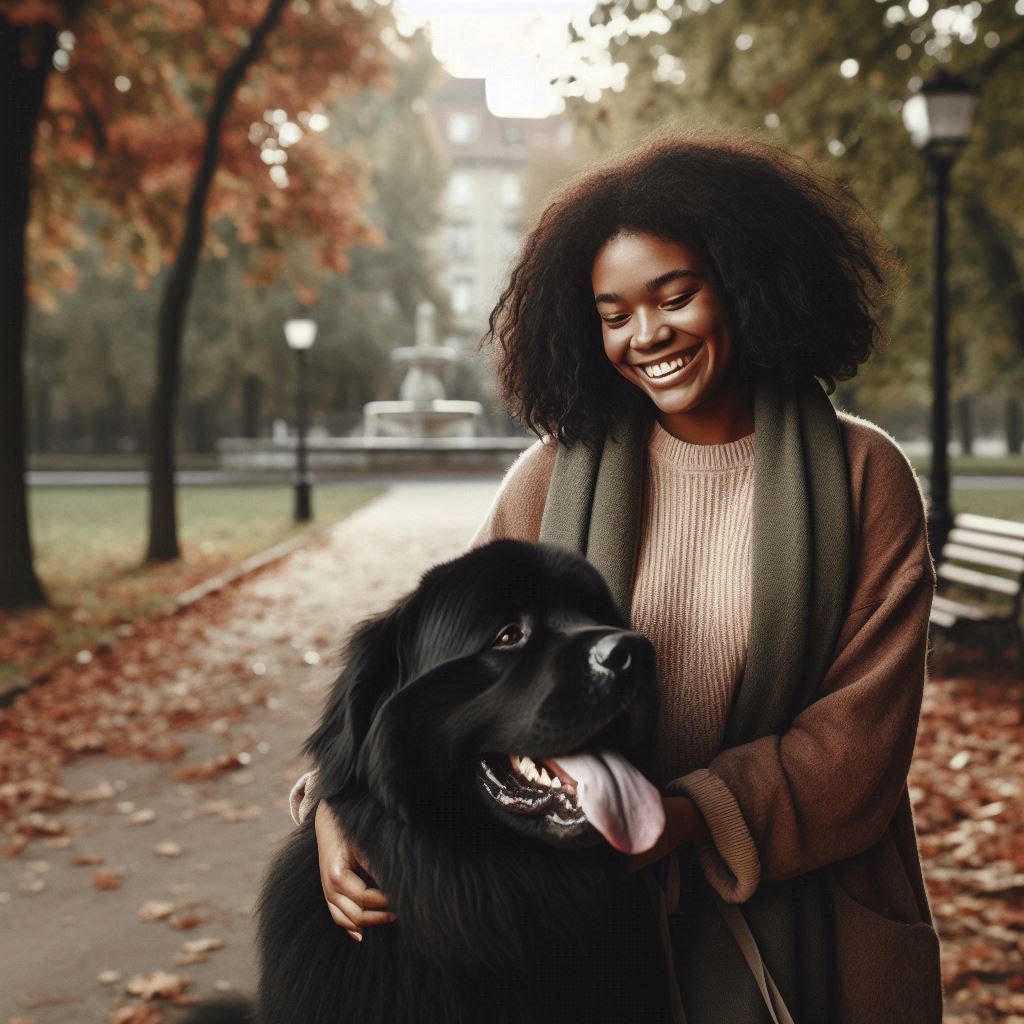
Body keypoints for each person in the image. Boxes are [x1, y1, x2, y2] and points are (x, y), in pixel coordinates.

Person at [290, 133, 942, 1023]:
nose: (647, 336)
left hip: (803, 928)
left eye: (676, 297)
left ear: (747, 287)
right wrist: (338, 808)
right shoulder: (553, 476)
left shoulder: (866, 478)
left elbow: (859, 748)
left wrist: (686, 817)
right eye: (614, 313)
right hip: (590, 936)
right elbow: (438, 667)